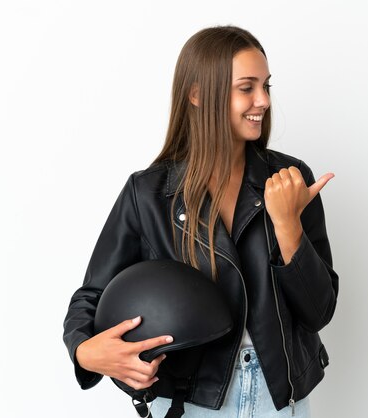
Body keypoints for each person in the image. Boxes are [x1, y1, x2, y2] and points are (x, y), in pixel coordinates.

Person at [63, 25, 339, 417]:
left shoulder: (289, 181)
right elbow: (89, 299)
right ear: (196, 94)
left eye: (266, 86)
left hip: (279, 397)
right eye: (247, 87)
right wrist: (85, 351)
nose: (262, 100)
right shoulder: (148, 194)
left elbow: (319, 311)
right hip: (188, 402)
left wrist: (288, 226)